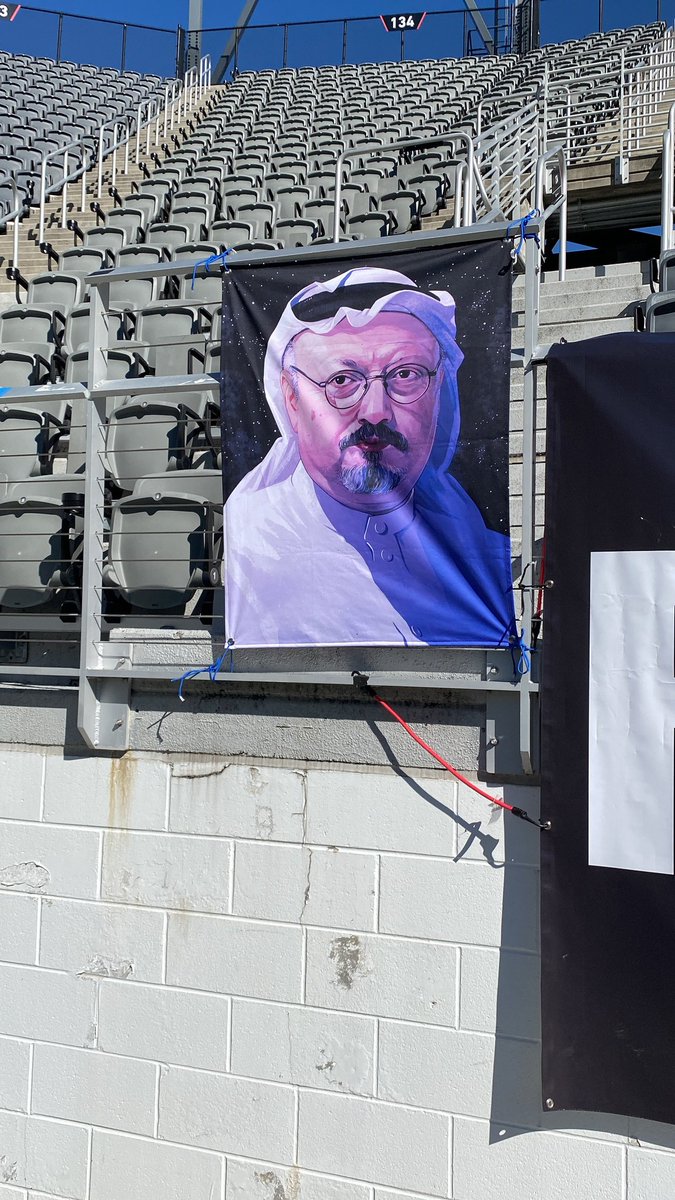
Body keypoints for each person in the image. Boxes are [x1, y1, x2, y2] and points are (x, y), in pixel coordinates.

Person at [223, 265, 516, 648]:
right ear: (293, 398)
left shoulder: (472, 540)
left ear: (438, 388)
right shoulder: (252, 541)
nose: (376, 411)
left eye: (406, 375)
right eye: (341, 381)